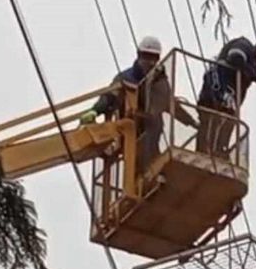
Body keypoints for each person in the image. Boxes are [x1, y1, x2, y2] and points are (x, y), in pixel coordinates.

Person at [80, 35, 197, 170]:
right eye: (147, 56)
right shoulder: (126, 78)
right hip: (131, 132)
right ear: (139, 55)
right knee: (138, 167)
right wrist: (95, 110)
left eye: (154, 58)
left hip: (152, 131)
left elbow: (170, 104)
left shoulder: (159, 82)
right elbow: (109, 96)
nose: (150, 62)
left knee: (153, 163)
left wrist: (191, 122)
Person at [196, 38, 256, 156]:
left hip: (223, 97)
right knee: (212, 121)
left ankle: (218, 152)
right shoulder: (245, 46)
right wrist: (255, 77)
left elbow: (245, 67)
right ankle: (205, 153)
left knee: (224, 123)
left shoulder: (250, 62)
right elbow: (235, 57)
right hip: (217, 91)